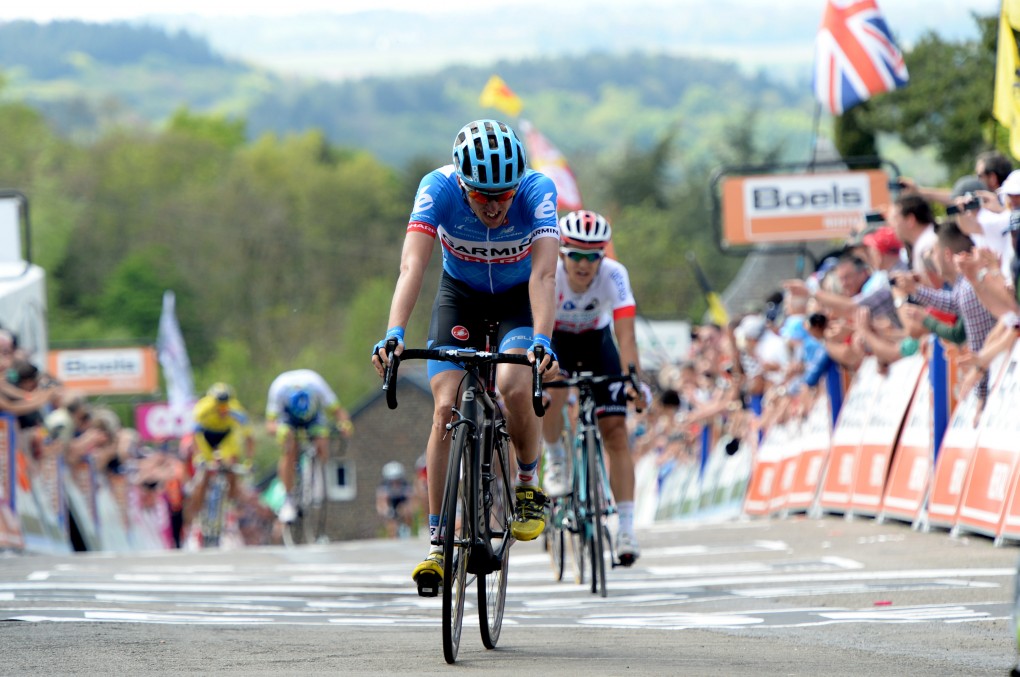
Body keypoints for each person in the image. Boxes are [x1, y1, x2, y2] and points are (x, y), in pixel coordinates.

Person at [370, 119, 560, 595]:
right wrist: (394, 333)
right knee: (444, 407)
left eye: (503, 195)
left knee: (514, 386)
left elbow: (544, 276)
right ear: (461, 184)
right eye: (481, 196)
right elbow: (413, 264)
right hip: (460, 298)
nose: (494, 206)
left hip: (518, 301)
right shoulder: (437, 188)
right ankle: (439, 542)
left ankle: (527, 483)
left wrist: (542, 340)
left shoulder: (537, 189)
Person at [539, 210, 647, 565]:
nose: (584, 264)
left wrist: (633, 380)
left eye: (592, 256)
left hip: (597, 344)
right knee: (553, 391)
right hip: (558, 341)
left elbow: (626, 335)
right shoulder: (550, 272)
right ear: (562, 253)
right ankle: (555, 457)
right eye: (576, 255)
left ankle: (626, 529)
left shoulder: (614, 275)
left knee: (615, 432)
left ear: (602, 256)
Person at [265, 368, 353, 524]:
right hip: (288, 419)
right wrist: (279, 430)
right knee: (289, 447)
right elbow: (269, 425)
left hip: (314, 418)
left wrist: (345, 424)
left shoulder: (317, 384)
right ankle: (288, 498)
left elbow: (338, 411)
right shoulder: (279, 389)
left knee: (322, 439)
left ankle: (317, 473)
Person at [183, 382, 254, 536]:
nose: (222, 409)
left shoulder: (236, 410)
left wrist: (249, 461)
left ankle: (230, 501)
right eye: (218, 405)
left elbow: (249, 437)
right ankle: (197, 511)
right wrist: (199, 457)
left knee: (231, 466)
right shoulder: (203, 409)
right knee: (204, 474)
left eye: (225, 405)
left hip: (226, 436)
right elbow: (194, 436)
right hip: (206, 437)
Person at [376, 461, 413, 538]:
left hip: (402, 502)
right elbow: (381, 502)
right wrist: (387, 511)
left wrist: (407, 511)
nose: (395, 483)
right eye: (392, 480)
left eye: (397, 480)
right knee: (389, 517)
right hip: (390, 503)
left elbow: (410, 500)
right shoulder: (383, 487)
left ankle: (407, 530)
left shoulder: (405, 486)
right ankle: (393, 535)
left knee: (406, 511)